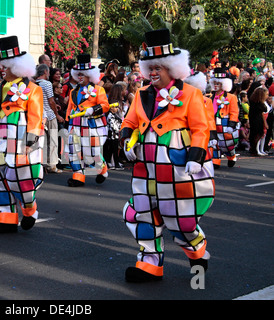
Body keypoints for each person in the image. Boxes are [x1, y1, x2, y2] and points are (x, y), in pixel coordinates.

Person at [121, 28, 214, 282]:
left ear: (172, 69)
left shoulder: (192, 94)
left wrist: (195, 157)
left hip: (178, 167)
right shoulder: (140, 95)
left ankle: (197, 250)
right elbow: (128, 123)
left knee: (181, 223)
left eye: (158, 68)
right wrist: (127, 141)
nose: (152, 73)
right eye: (149, 68)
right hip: (146, 168)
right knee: (139, 214)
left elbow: (200, 128)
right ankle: (150, 264)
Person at [0, 35, 44, 234]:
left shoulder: (33, 89)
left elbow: (36, 118)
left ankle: (29, 208)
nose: (2, 69)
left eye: (6, 66)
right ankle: (7, 219)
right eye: (1, 65)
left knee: (20, 178)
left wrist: (30, 142)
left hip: (20, 139)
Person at [65, 54, 110, 187]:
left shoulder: (98, 90)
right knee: (73, 150)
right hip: (75, 124)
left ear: (89, 75)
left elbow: (105, 106)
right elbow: (70, 107)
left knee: (93, 151)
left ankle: (102, 168)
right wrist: (68, 120)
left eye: (82, 75)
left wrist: (93, 109)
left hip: (92, 124)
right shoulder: (73, 91)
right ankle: (78, 176)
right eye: (78, 74)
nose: (80, 77)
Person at [35, 64, 63, 173]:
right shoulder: (47, 84)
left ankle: (43, 163)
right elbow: (51, 101)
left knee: (42, 140)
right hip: (49, 115)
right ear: (45, 72)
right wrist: (57, 115)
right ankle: (52, 165)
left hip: (38, 114)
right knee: (52, 140)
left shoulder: (33, 84)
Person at [209, 68, 240, 168]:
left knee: (227, 145)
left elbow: (234, 112)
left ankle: (231, 156)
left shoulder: (231, 97)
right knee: (214, 143)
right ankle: (215, 161)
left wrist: (232, 124)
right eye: (215, 83)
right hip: (213, 123)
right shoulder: (210, 97)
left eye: (218, 83)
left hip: (225, 123)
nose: (216, 85)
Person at [103, 83, 124, 170]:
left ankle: (112, 162)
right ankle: (114, 163)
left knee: (113, 148)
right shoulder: (111, 116)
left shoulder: (114, 114)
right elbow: (112, 125)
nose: (116, 109)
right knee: (113, 148)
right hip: (112, 134)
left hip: (115, 133)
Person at [248, 86, 269, 156]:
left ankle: (255, 149)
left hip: (254, 120)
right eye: (266, 94)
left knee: (256, 135)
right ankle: (255, 150)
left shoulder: (253, 102)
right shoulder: (259, 104)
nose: (267, 96)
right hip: (257, 120)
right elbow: (264, 109)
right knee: (257, 135)